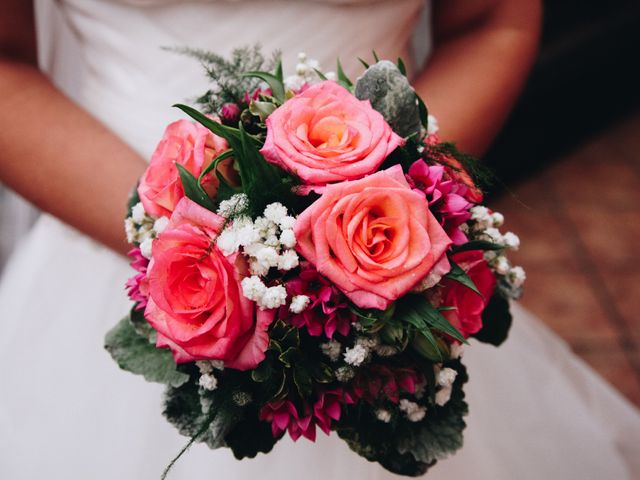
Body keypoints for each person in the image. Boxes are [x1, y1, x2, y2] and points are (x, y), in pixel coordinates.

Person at [0, 1, 638, 479]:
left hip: (385, 251)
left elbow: (494, 21)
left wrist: (392, 205)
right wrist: (182, 237)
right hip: (105, 226)